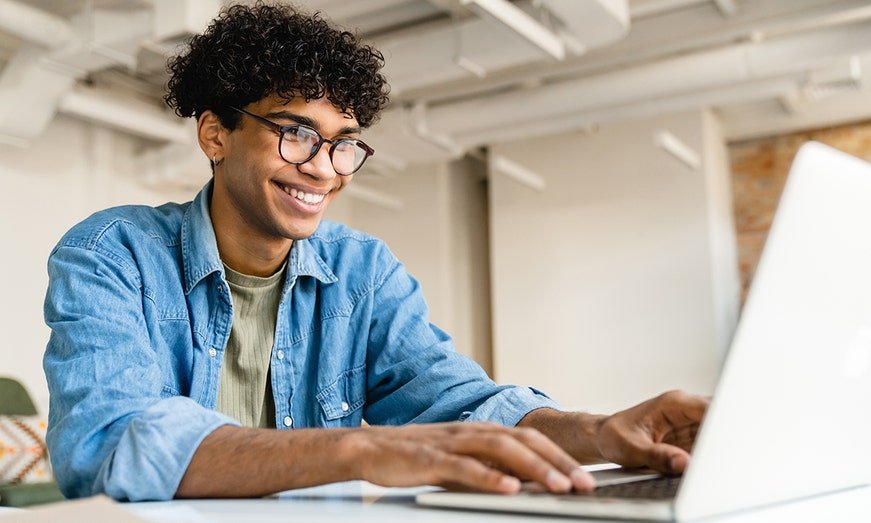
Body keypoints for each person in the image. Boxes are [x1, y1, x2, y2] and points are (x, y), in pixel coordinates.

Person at [43, 2, 708, 501]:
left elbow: (459, 403)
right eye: (296, 132)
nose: (324, 168)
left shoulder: (362, 270)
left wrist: (600, 431)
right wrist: (363, 447)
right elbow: (112, 445)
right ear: (215, 134)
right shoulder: (112, 253)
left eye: (342, 142)